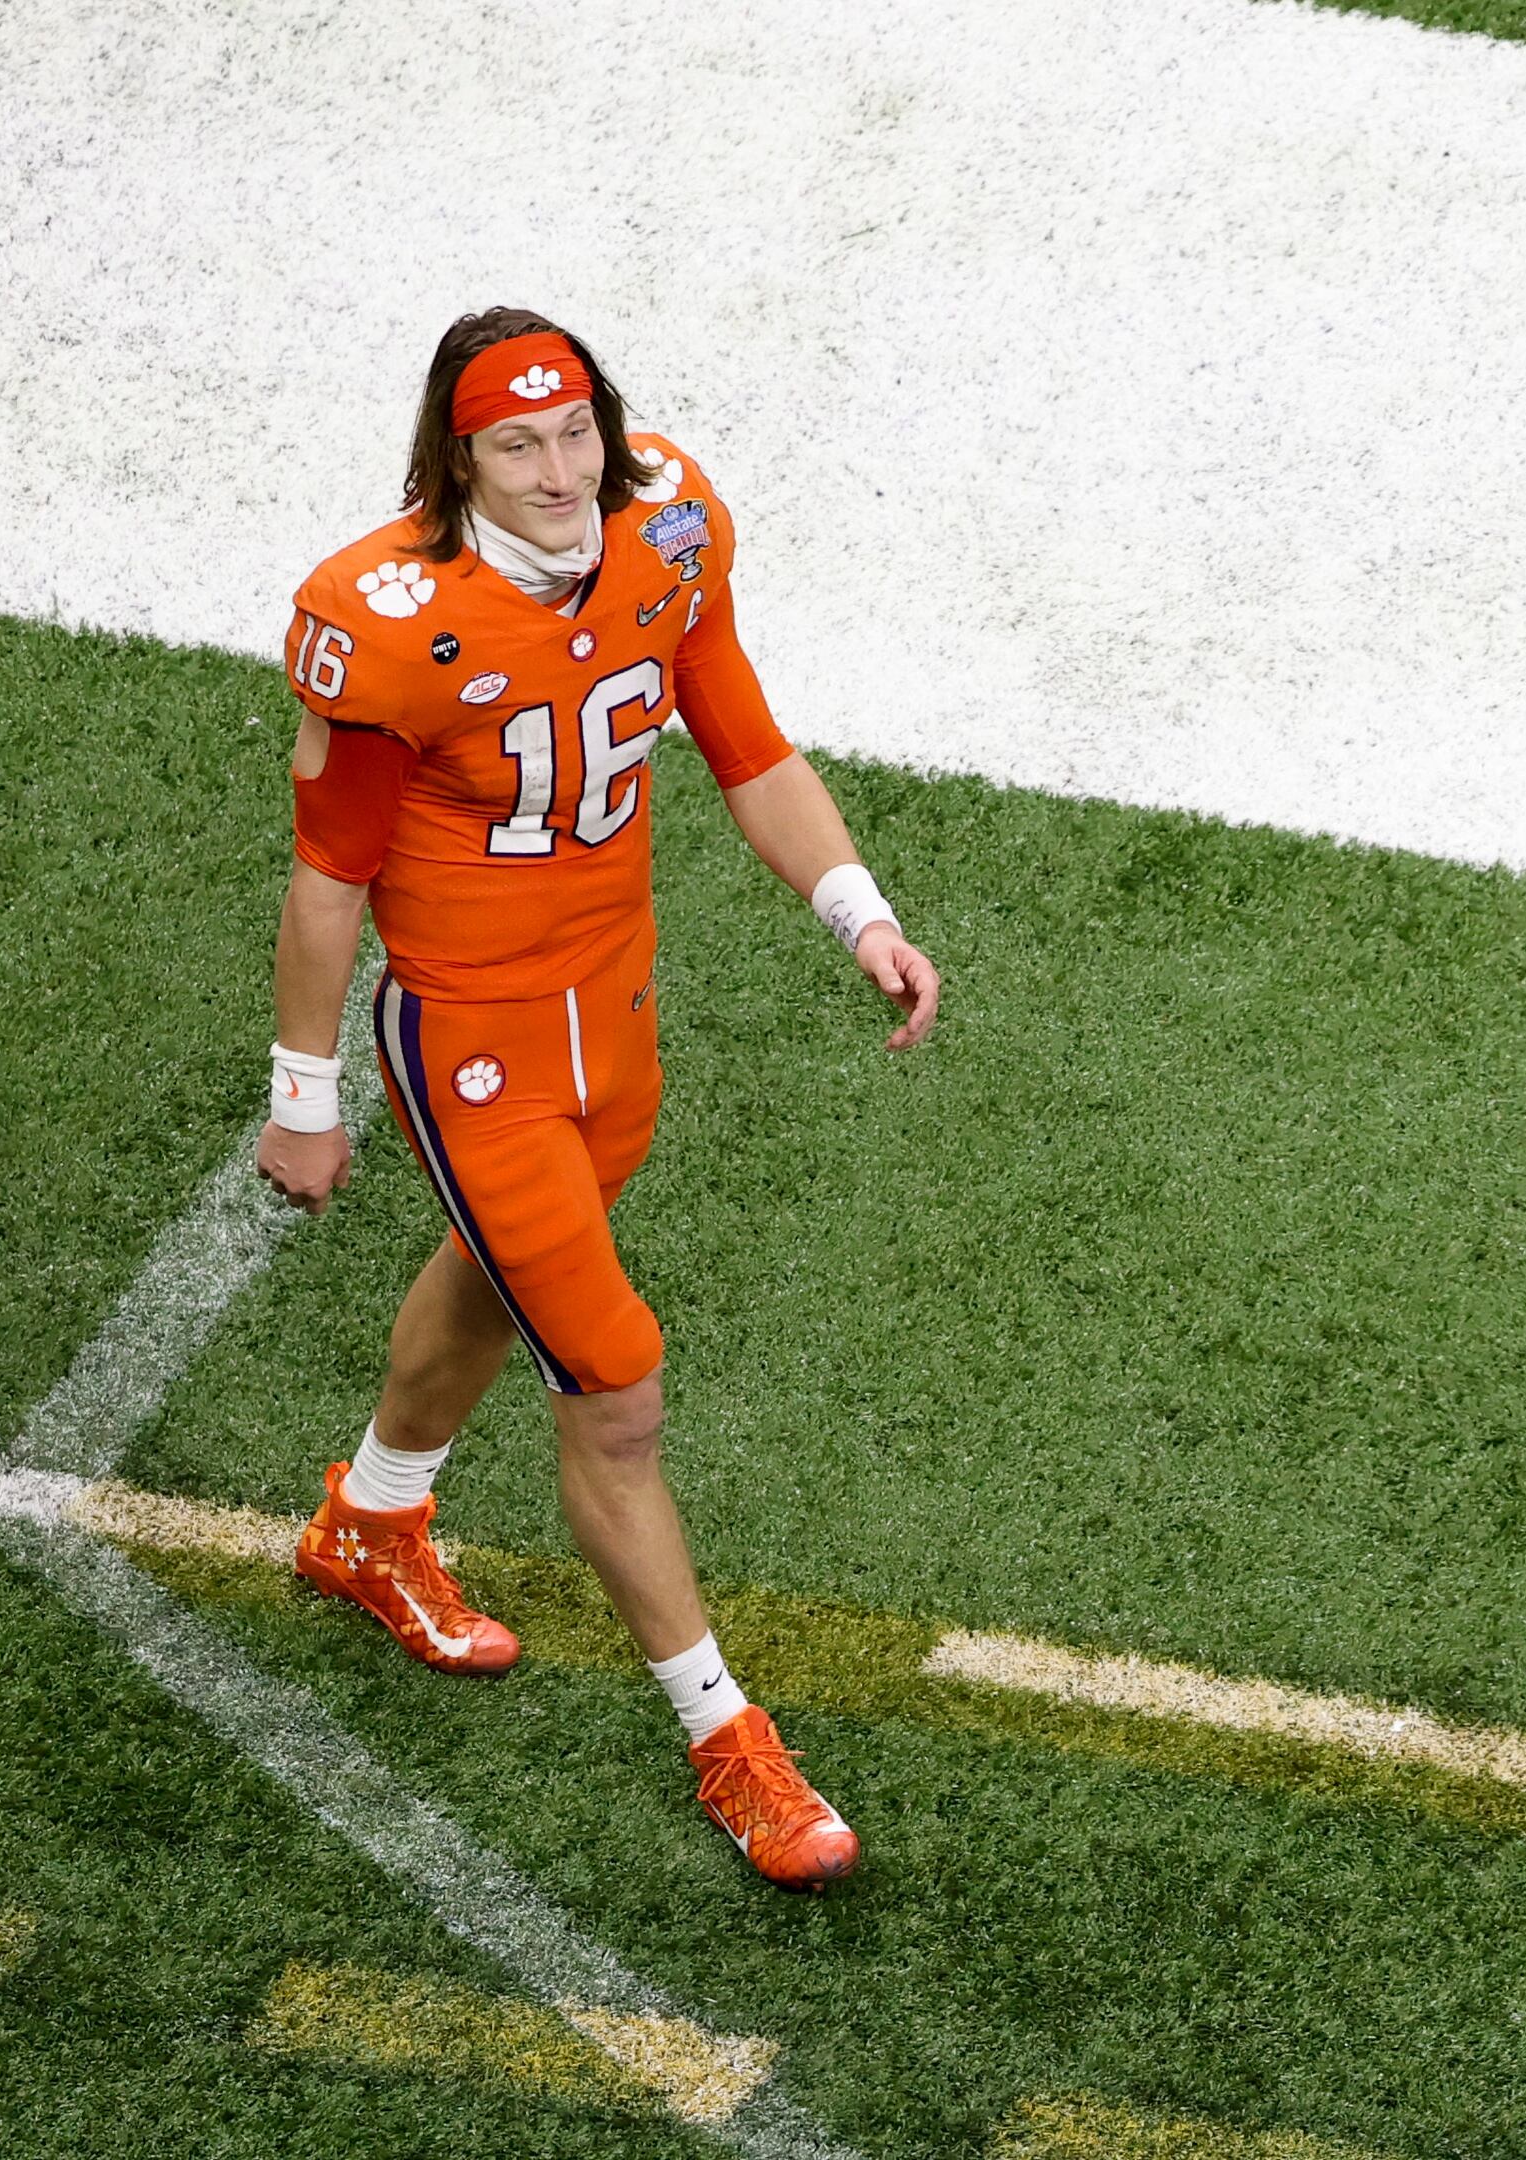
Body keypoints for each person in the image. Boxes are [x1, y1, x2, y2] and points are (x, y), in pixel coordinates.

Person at [252, 307, 937, 1890]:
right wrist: (304, 1094)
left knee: (504, 1277)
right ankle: (731, 1745)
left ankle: (372, 1523)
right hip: (475, 1043)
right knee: (615, 1391)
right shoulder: (393, 624)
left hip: (614, 1017)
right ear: (458, 459)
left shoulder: (667, 528)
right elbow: (328, 879)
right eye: (519, 445)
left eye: (577, 433)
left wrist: (860, 913)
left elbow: (745, 742)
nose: (561, 473)